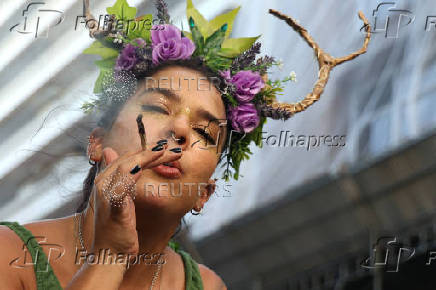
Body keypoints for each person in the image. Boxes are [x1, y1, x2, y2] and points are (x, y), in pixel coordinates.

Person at [0, 0, 370, 289]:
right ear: (96, 143)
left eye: (205, 134)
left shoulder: (208, 287)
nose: (180, 130)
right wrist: (109, 257)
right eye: (159, 107)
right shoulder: (10, 252)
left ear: (203, 195)